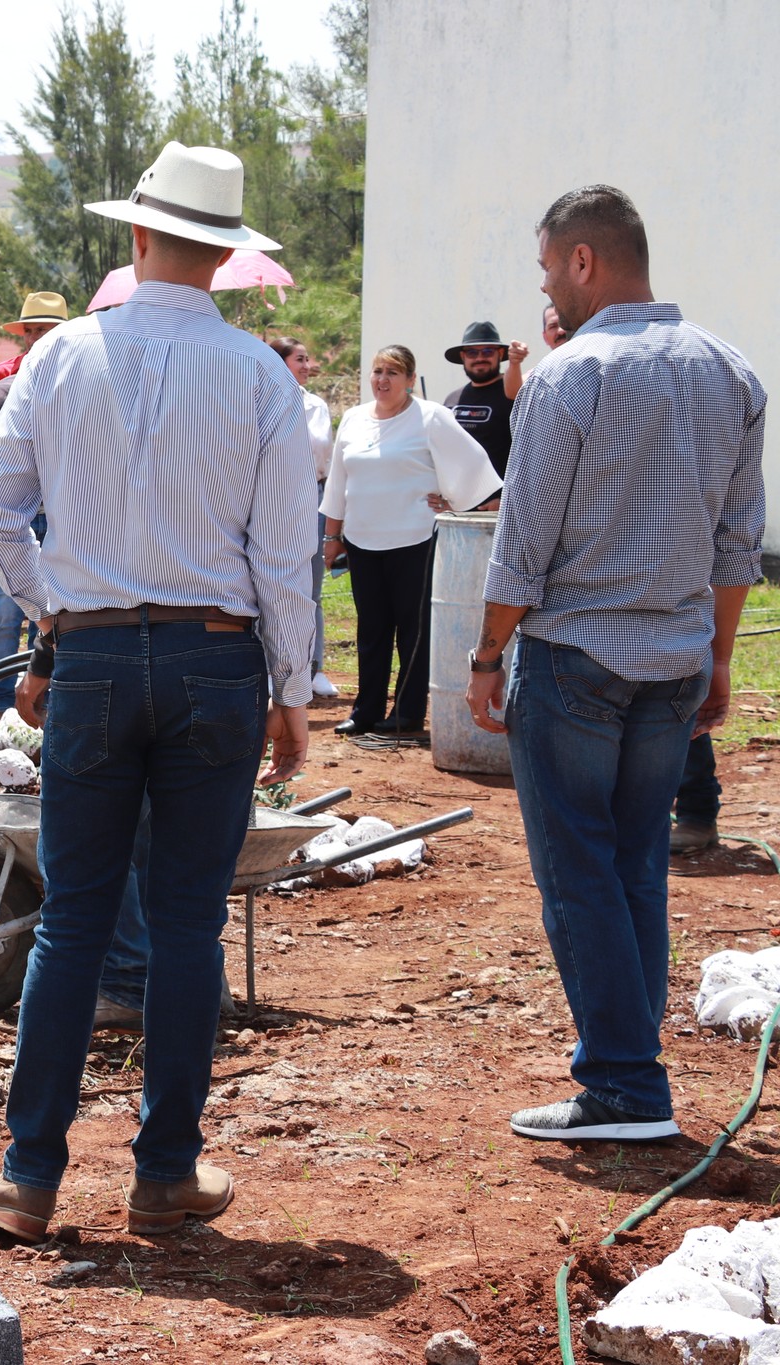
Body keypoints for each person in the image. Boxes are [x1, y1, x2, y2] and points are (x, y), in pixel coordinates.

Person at [0, 141, 315, 1241]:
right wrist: (289, 690)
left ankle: (28, 1177)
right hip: (215, 661)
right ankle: (164, 1175)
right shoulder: (259, 376)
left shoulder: (59, 357)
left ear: (135, 235)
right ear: (227, 254)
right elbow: (281, 554)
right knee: (187, 925)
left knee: (71, 921)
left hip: (99, 659)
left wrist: (52, 610)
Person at [467, 185, 765, 1142]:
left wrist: (486, 652)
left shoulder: (569, 377)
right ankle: (636, 1073)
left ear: (585, 261)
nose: (549, 284)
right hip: (673, 660)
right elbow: (736, 545)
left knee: (580, 874)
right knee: (637, 863)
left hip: (576, 656)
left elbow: (522, 544)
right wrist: (717, 661)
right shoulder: (733, 372)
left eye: (550, 266)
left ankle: (626, 1085)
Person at [322, 346, 502, 738]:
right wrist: (332, 537)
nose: (383, 380)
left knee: (412, 629)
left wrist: (452, 499)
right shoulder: (353, 419)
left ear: (409, 379)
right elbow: (338, 482)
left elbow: (474, 464)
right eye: (377, 371)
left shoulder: (431, 416)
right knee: (371, 629)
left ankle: (406, 713)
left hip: (415, 539)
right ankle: (365, 710)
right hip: (363, 541)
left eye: (393, 373)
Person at [0, 291, 71, 720]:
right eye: (34, 329)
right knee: (6, 610)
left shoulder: (76, 379)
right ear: (24, 333)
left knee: (50, 610)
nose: (40, 336)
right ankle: (1, 698)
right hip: (12, 506)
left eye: (48, 329)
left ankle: (42, 694)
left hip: (61, 510)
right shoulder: (0, 379)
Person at [269, 337, 340, 700]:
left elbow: (321, 452)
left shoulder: (314, 405)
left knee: (310, 589)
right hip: (267, 495)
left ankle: (313, 669)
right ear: (278, 361)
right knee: (265, 582)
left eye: (308, 359)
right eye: (299, 359)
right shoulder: (259, 397)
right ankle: (271, 668)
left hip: (310, 494)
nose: (307, 365)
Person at [442, 322, 530, 478]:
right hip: (460, 500)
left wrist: (515, 363)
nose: (480, 358)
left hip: (501, 500)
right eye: (472, 353)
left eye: (488, 351)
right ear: (463, 356)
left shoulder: (511, 390)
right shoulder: (451, 399)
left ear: (501, 354)